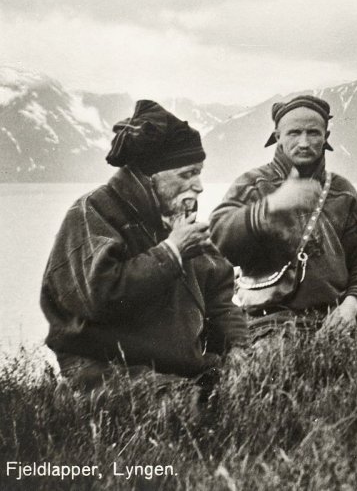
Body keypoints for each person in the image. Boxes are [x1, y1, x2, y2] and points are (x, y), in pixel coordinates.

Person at [41, 100, 248, 392]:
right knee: (188, 409)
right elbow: (101, 296)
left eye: (199, 172)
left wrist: (238, 347)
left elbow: (219, 296)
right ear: (151, 176)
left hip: (175, 368)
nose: (200, 185)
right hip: (108, 370)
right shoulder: (93, 212)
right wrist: (171, 253)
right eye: (188, 173)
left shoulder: (176, 216)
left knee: (255, 391)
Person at [209, 95, 357, 342]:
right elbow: (218, 240)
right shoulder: (253, 184)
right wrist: (272, 206)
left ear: (326, 137)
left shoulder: (343, 191)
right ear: (277, 136)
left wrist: (351, 306)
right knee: (272, 373)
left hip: (337, 315)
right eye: (294, 133)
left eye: (313, 132)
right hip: (269, 321)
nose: (304, 142)